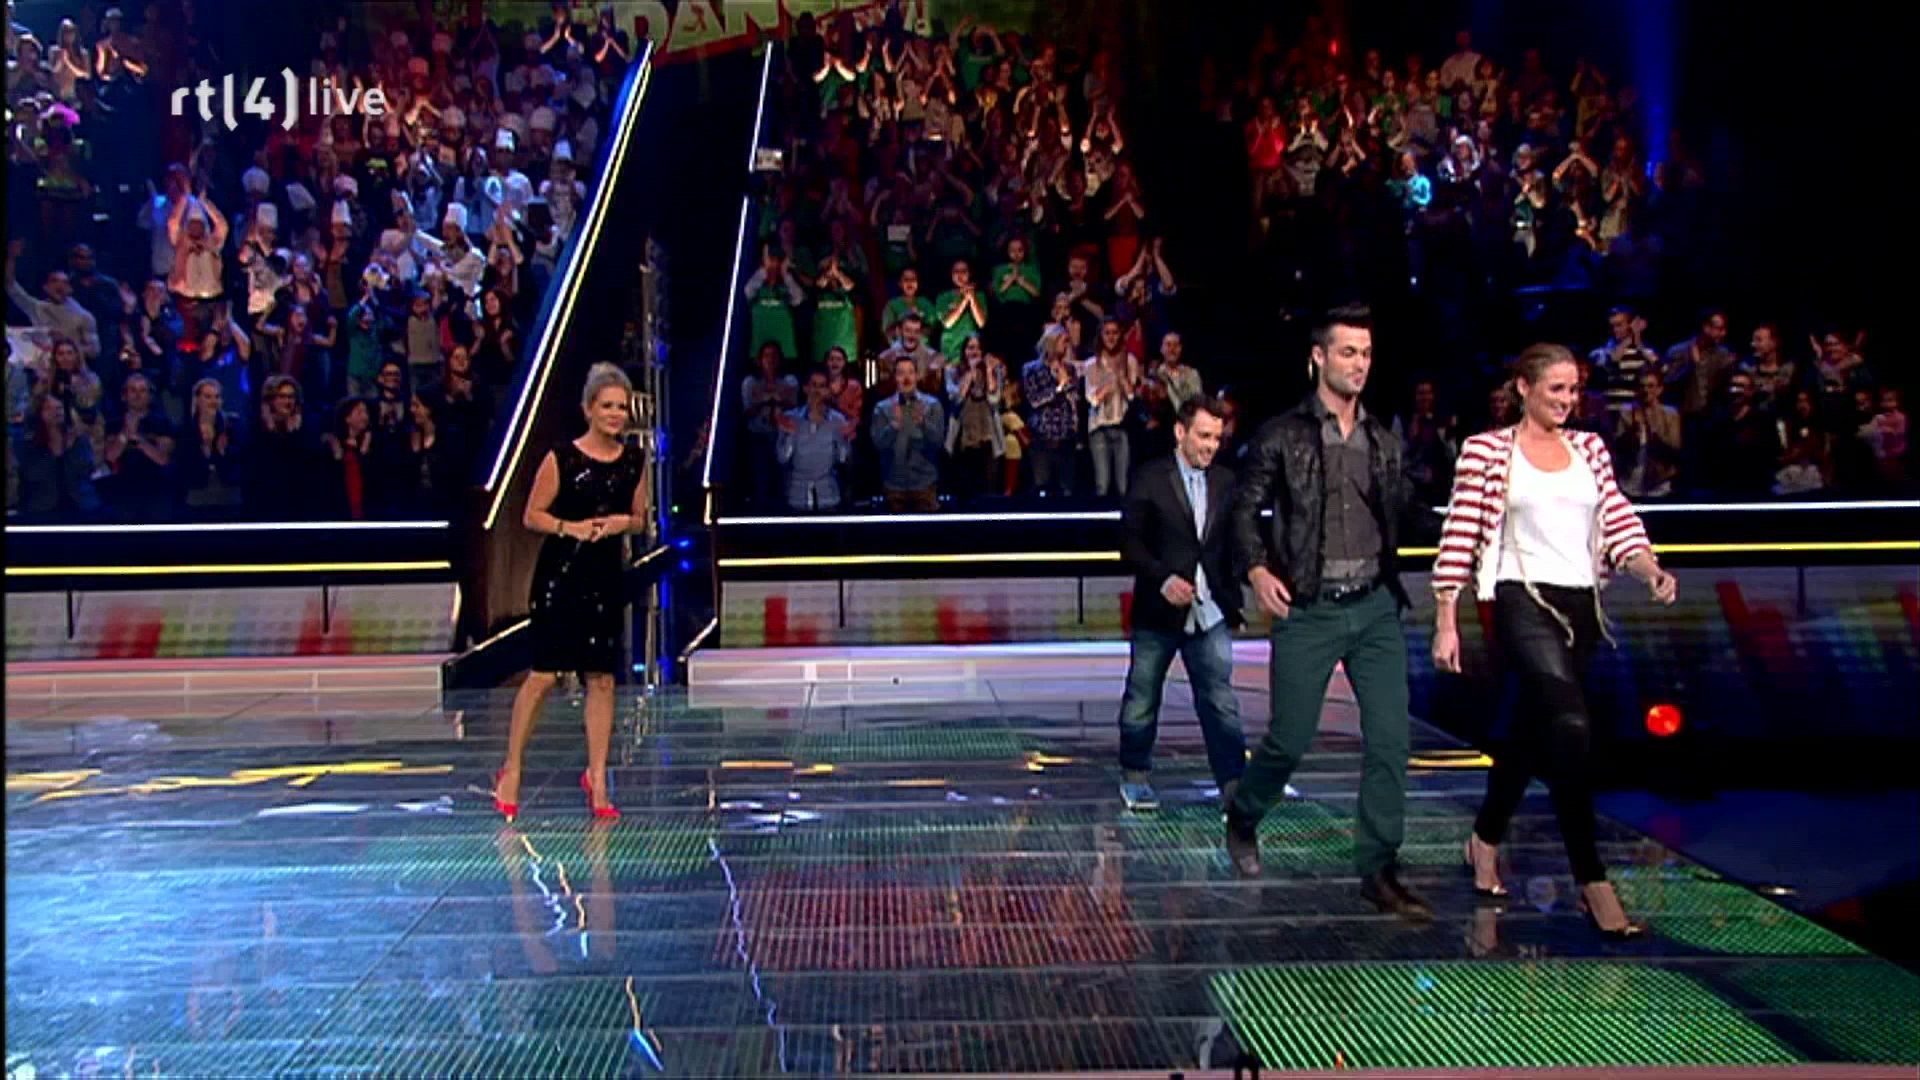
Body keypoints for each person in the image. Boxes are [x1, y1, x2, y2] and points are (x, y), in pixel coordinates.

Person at [1431, 342, 1678, 938]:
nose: (1567, 400)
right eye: (1555, 389)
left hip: (1581, 605)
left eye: (1573, 390)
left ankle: (1484, 838)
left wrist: (1648, 567)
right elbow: (1460, 531)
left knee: (1531, 733)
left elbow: (1616, 517)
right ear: (1524, 388)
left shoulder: (1589, 449)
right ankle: (1593, 882)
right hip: (1520, 599)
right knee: (1569, 726)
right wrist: (1446, 616)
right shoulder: (1487, 451)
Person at [1223, 304, 1430, 922]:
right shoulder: (1282, 435)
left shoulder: (1383, 441)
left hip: (1375, 607)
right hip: (1309, 608)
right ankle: (1244, 812)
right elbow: (1243, 509)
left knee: (1391, 740)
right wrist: (1257, 569)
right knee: (1289, 739)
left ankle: (1379, 868)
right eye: (1348, 353)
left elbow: (1412, 512)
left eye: (1366, 354)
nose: (1359, 364)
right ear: (1318, 357)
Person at [493, 363, 650, 823]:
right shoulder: (562, 458)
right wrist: (571, 527)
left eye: (621, 407)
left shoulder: (634, 461)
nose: (616, 414)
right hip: (561, 575)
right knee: (544, 675)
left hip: (605, 578)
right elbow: (532, 515)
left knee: (601, 678)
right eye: (607, 406)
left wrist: (622, 524)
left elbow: (640, 518)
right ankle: (512, 768)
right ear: (588, 409)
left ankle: (598, 778)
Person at [1116, 396, 1247, 812]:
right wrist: (1162, 579)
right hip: (1158, 614)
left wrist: (1241, 592)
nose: (1211, 446)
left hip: (1210, 612)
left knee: (1220, 701)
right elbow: (1129, 542)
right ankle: (1135, 776)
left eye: (1217, 439)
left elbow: (1235, 543)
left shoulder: (1226, 481)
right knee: (1143, 698)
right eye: (1203, 436)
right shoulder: (1150, 477)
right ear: (1180, 432)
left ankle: (1233, 784)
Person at [870, 355, 946, 512]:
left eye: (910, 372)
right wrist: (893, 426)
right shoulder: (882, 408)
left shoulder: (932, 405)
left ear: (917, 376)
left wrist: (923, 424)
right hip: (893, 486)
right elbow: (878, 445)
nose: (906, 378)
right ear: (895, 377)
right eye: (901, 373)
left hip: (925, 485)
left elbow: (939, 442)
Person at [776, 366, 855, 511]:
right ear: (806, 388)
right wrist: (791, 434)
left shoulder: (838, 420)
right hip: (797, 497)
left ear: (828, 391)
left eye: (822, 386)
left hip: (828, 497)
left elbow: (843, 459)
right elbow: (782, 458)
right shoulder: (790, 418)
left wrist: (842, 437)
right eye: (814, 385)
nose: (817, 391)